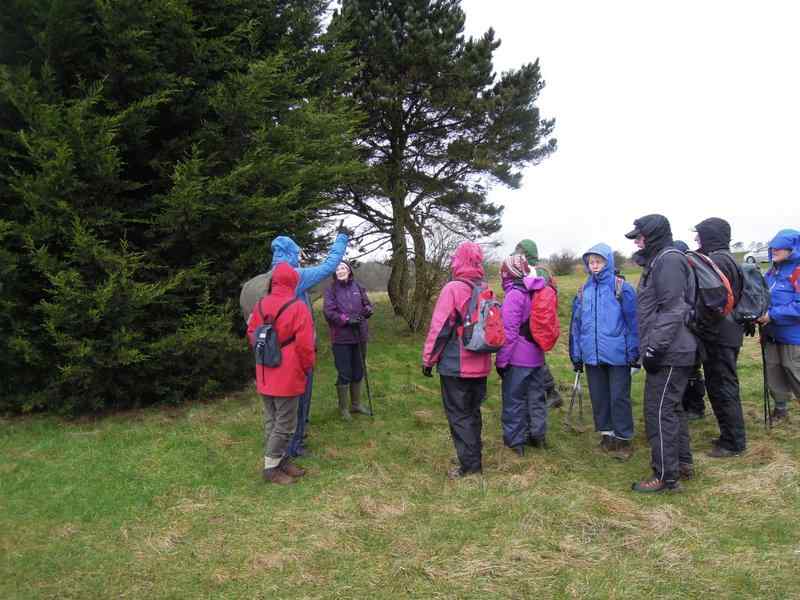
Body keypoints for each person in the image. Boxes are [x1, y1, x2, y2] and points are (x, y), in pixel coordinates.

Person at [626, 215, 696, 493]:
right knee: (673, 409)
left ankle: (666, 477)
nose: (638, 241)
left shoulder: (667, 260)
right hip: (673, 349)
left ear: (653, 235)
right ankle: (682, 464)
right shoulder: (660, 259)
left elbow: (674, 309)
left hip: (670, 351)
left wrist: (654, 348)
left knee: (658, 412)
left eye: (640, 236)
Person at [269, 227, 349, 457]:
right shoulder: (295, 277)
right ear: (292, 254)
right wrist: (342, 238)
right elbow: (329, 266)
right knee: (300, 398)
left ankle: (282, 444)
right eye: (297, 252)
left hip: (274, 350)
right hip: (296, 350)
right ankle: (294, 446)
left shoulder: (270, 277)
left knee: (281, 402)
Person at [421, 242, 491, 479]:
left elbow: (440, 328)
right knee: (472, 412)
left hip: (457, 365)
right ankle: (473, 456)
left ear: (459, 260)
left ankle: (470, 467)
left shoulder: (453, 288)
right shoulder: (484, 287)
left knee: (459, 415)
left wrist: (428, 360)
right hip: (481, 363)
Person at [246, 262, 316, 484]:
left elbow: (251, 332)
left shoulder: (260, 304)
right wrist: (307, 367)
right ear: (293, 282)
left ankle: (282, 461)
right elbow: (306, 345)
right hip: (287, 372)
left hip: (265, 369)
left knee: (272, 418)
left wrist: (267, 349)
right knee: (285, 423)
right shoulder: (298, 307)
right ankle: (270, 468)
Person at [569, 244, 639, 460]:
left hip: (618, 354)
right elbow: (577, 325)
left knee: (619, 397)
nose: (595, 265)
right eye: (591, 262)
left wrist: (634, 353)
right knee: (599, 397)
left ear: (608, 262)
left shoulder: (622, 288)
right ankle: (607, 435)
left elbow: (634, 323)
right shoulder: (583, 291)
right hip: (592, 355)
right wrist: (577, 354)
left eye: (598, 261)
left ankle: (624, 439)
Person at [693, 218, 746, 457]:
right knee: (722, 384)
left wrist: (698, 324)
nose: (696, 240)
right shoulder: (728, 259)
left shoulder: (716, 261)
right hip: (728, 331)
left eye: (700, 235)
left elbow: (711, 302)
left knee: (723, 386)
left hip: (719, 334)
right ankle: (730, 436)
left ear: (710, 236)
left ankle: (733, 442)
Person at [496, 254, 548, 455]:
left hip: (518, 358)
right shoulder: (535, 289)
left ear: (507, 273)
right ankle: (538, 436)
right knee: (536, 398)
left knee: (514, 400)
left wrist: (501, 362)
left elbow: (509, 333)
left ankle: (515, 443)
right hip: (537, 355)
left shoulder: (514, 295)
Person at [514, 239, 563, 408]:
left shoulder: (538, 272)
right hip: (535, 318)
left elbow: (537, 293)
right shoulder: (537, 271)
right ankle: (547, 392)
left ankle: (550, 392)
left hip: (535, 319)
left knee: (536, 358)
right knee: (536, 358)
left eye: (520, 253)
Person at [757, 229, 800, 421]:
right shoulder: (772, 271)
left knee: (793, 368)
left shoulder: (798, 271)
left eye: (780, 247)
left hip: (793, 334)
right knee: (773, 368)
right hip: (771, 332)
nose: (774, 250)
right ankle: (780, 408)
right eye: (773, 247)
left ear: (793, 248)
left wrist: (772, 315)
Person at [323, 262, 374, 420]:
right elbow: (329, 312)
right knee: (344, 372)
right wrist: (345, 320)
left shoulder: (358, 287)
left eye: (343, 268)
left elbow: (367, 304)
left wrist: (366, 312)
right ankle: (344, 408)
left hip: (359, 335)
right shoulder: (331, 290)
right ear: (334, 272)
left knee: (358, 370)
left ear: (349, 270)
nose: (341, 270)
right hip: (341, 338)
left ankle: (356, 404)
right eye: (337, 268)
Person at [673, 240, 708, 421]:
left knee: (692, 371)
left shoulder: (692, 273)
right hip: (686, 328)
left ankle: (695, 406)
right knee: (687, 370)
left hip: (692, 328)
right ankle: (686, 405)